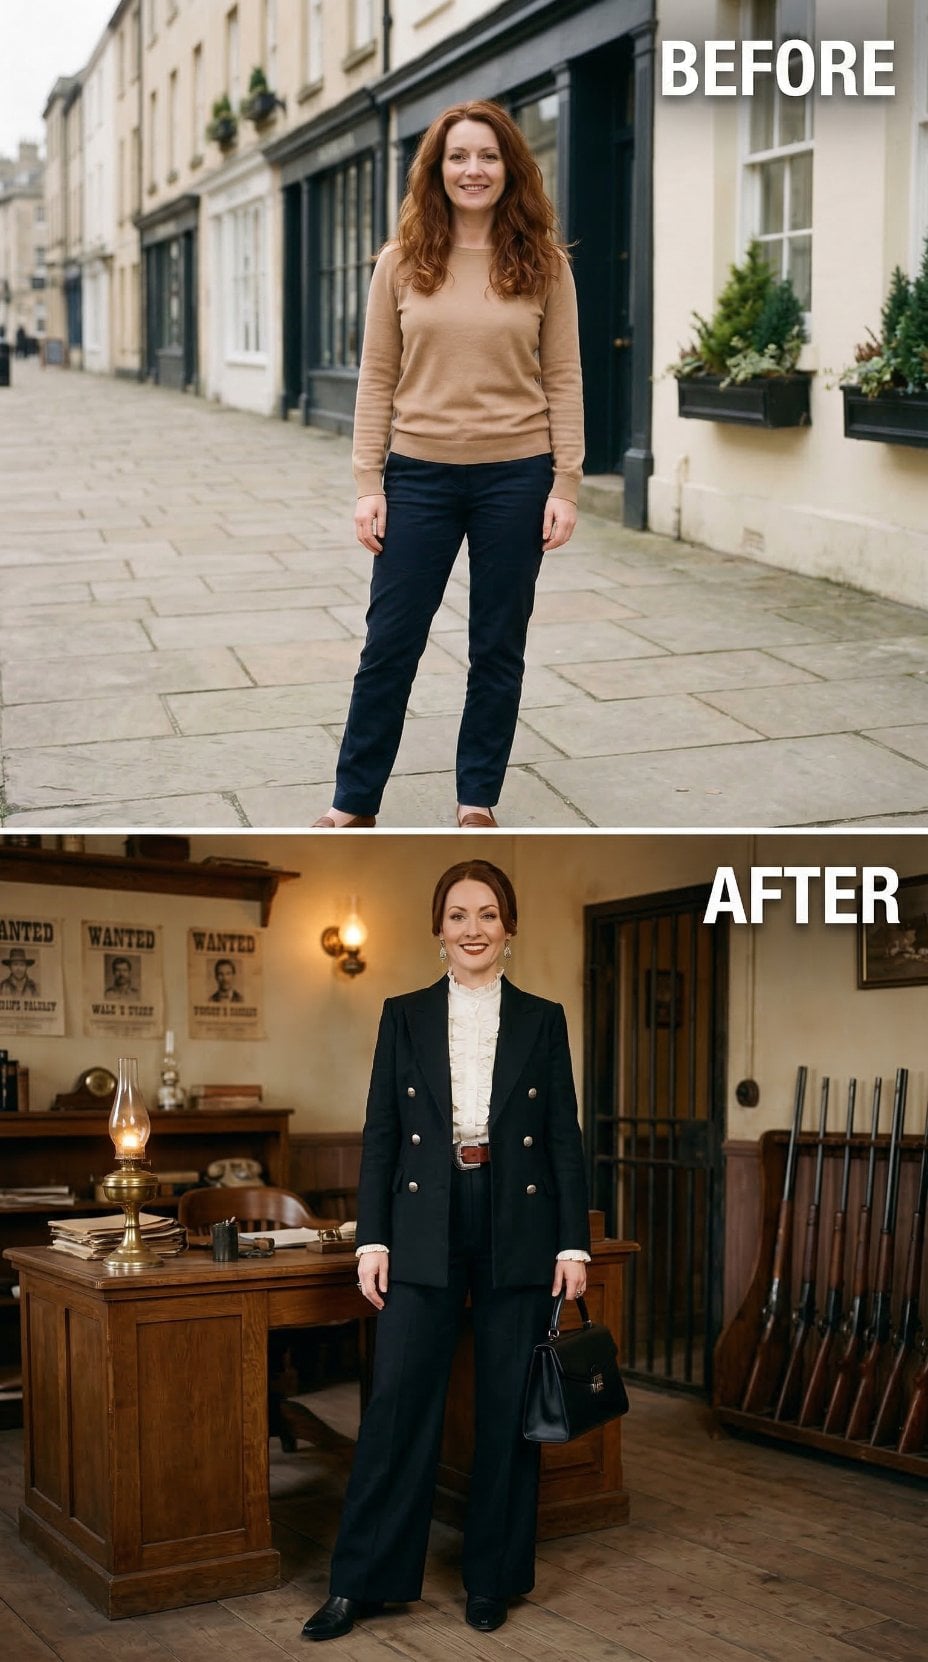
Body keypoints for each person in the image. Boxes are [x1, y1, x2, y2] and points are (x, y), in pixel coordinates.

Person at [301, 858, 591, 1642]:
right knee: (397, 1402)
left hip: (518, 1221)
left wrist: (575, 1242)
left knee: (506, 1407)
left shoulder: (543, 1018)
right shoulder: (403, 1015)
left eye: (488, 914)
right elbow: (381, 1136)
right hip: (423, 1218)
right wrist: (373, 1237)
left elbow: (564, 1137)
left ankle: (493, 1579)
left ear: (509, 929)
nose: (473, 929)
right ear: (438, 930)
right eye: (459, 915)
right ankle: (361, 1581)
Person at [313, 100, 584, 832]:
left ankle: (476, 800)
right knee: (390, 644)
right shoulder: (401, 264)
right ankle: (352, 803)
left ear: (511, 170)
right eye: (459, 157)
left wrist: (565, 483)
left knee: (498, 644)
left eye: (489, 157)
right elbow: (376, 376)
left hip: (516, 477)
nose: (474, 170)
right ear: (436, 171)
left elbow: (563, 377)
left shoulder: (544, 266)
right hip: (419, 477)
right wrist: (368, 483)